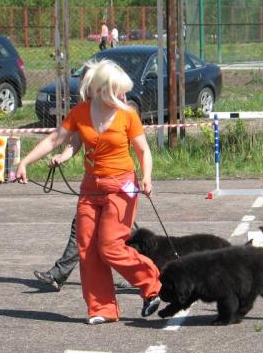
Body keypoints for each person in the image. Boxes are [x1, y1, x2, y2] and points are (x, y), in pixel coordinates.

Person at [17, 59, 161, 325]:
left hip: (123, 187)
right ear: (103, 90)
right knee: (87, 248)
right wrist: (25, 162)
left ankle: (151, 284)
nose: (125, 96)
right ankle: (102, 309)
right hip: (90, 189)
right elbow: (54, 139)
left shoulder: (128, 114)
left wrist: (147, 176)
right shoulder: (81, 112)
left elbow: (143, 150)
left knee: (110, 247)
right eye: (120, 91)